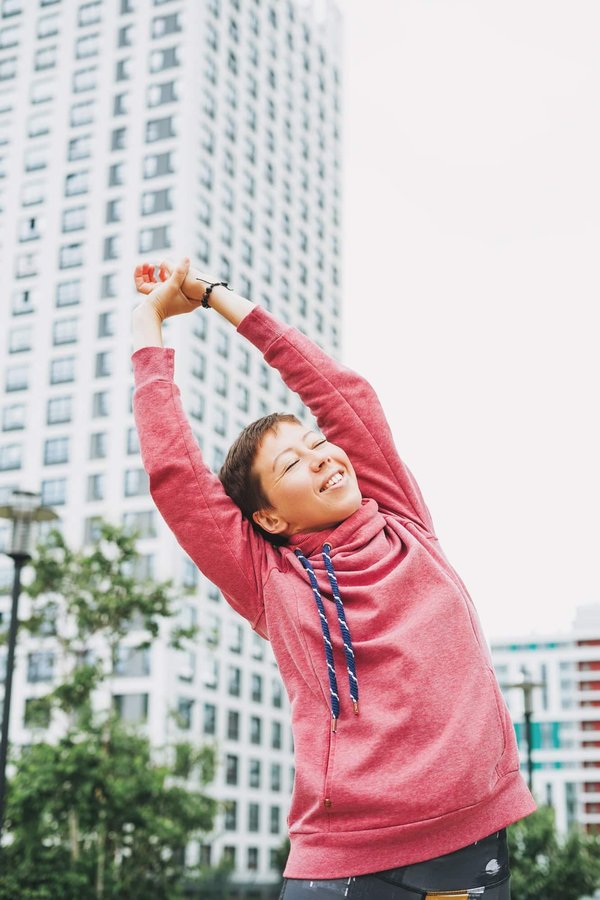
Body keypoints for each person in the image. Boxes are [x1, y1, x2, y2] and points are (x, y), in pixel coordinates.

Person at [131, 258, 537, 899]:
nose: (321, 455)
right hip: (345, 862)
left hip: (469, 848)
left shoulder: (401, 516)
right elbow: (177, 476)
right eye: (293, 462)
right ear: (266, 515)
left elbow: (340, 394)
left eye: (317, 442)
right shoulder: (270, 575)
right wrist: (148, 324)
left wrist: (214, 297)